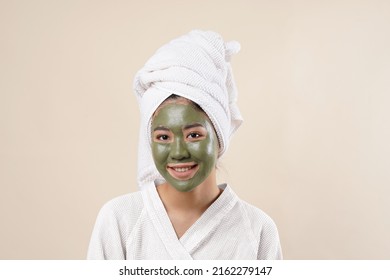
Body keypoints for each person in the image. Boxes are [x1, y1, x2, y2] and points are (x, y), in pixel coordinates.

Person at [87, 30, 282, 260]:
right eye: (163, 137)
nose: (178, 152)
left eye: (193, 135)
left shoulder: (257, 230)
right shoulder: (119, 220)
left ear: (219, 136)